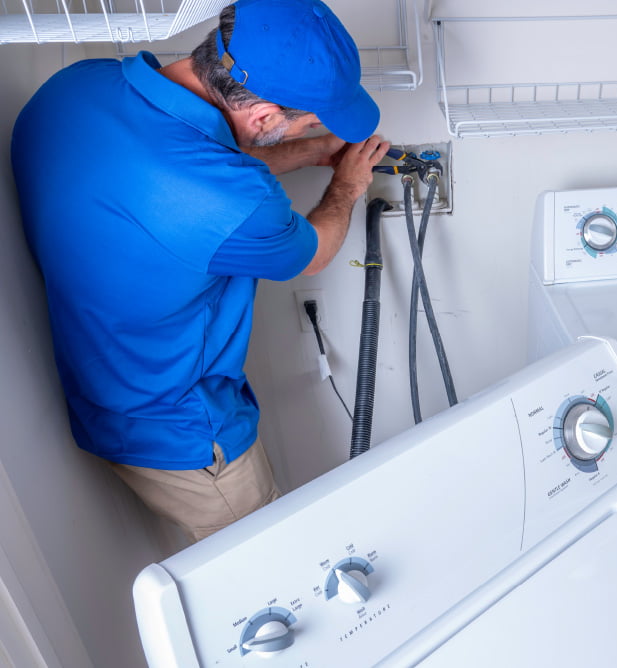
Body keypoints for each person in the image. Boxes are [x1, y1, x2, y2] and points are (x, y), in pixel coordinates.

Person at [10, 0, 390, 542]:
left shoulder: (72, 88)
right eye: (308, 120)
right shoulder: (234, 202)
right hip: (187, 435)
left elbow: (191, 165)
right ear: (261, 117)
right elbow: (315, 250)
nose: (311, 130)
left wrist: (308, 151)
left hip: (110, 390)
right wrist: (349, 184)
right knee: (271, 575)